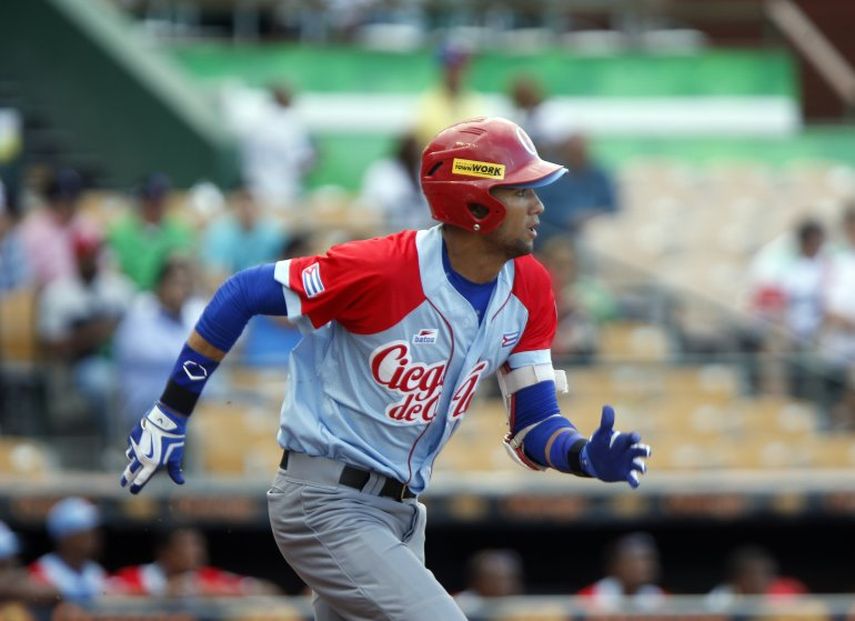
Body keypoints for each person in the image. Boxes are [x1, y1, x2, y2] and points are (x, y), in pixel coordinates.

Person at [118, 116, 651, 621]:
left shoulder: (530, 286)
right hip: (325, 498)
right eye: (520, 190)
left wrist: (581, 455)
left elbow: (534, 424)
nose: (537, 204)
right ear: (476, 203)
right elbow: (241, 292)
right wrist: (170, 413)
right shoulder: (383, 267)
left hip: (400, 513)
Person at [37, 228, 134, 446]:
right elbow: (51, 345)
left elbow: (137, 327)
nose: (89, 259)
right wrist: (90, 335)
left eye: (92, 253)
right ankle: (115, 445)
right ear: (75, 256)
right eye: (84, 254)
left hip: (123, 360)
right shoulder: (58, 293)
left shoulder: (120, 287)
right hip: (80, 365)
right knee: (102, 381)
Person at [113, 257, 207, 428]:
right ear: (160, 286)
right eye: (176, 283)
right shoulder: (140, 311)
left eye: (186, 284)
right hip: (147, 402)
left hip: (191, 400)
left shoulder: (194, 311)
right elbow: (159, 356)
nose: (182, 290)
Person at [112, 527, 279, 597]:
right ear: (164, 552)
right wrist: (161, 591)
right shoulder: (138, 576)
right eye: (186, 546)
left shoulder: (206, 578)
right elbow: (98, 591)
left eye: (198, 546)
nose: (196, 552)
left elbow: (268, 590)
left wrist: (216, 591)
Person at [107, 173, 194, 291]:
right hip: (128, 297)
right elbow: (113, 271)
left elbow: (184, 271)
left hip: (165, 298)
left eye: (159, 199)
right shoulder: (121, 232)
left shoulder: (179, 231)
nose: (155, 205)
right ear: (141, 200)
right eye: (150, 199)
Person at [240, 83, 317, 210]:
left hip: (257, 190)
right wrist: (314, 157)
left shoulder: (256, 122)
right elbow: (299, 161)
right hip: (284, 192)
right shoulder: (290, 124)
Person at [19, 168, 98, 286]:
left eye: (69, 202)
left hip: (87, 288)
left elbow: (102, 268)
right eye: (59, 201)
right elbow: (26, 278)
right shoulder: (32, 229)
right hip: (48, 292)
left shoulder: (89, 225)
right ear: (50, 201)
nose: (64, 207)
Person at [535, 132, 619, 240]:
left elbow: (612, 205)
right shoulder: (552, 175)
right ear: (564, 153)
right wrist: (568, 217)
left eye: (581, 152)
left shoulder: (599, 175)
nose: (577, 157)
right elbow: (542, 207)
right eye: (572, 153)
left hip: (598, 232)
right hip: (558, 233)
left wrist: (594, 215)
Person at [201, 186, 286, 286]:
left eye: (251, 201)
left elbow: (283, 269)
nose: (247, 208)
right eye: (242, 202)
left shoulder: (275, 233)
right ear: (234, 204)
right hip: (232, 290)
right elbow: (215, 275)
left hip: (266, 288)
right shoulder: (219, 234)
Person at [28, 498, 109, 604]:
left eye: (94, 531)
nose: (93, 537)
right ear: (65, 536)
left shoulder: (96, 571)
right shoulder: (42, 569)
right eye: (85, 532)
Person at [413, 43, 487, 147]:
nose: (460, 72)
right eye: (455, 67)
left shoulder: (475, 101)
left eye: (464, 65)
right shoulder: (428, 103)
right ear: (443, 68)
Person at [359, 132, 432, 232]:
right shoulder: (383, 170)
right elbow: (372, 206)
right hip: (389, 230)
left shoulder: (423, 169)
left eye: (415, 147)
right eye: (409, 147)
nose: (412, 151)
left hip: (422, 230)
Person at [578, 532, 666, 613]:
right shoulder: (589, 597)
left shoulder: (664, 599)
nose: (644, 566)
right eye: (634, 561)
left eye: (649, 560)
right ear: (615, 565)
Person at [705, 545, 809, 611]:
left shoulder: (786, 592)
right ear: (737, 579)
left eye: (766, 574)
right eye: (753, 575)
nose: (759, 580)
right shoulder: (722, 597)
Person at [454, 549, 524, 616]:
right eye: (495, 579)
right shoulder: (459, 606)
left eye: (508, 579)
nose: (503, 585)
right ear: (477, 580)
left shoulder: (524, 607)